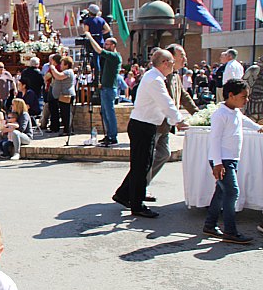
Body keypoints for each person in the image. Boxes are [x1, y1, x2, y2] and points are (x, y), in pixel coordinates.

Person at [112, 49, 189, 218]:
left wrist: (175, 120)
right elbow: (165, 103)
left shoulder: (154, 77)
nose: (173, 66)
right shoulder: (154, 79)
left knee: (141, 164)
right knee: (142, 166)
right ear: (164, 64)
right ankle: (137, 205)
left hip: (145, 125)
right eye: (171, 63)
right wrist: (179, 120)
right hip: (143, 126)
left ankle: (125, 194)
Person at [204, 79, 263, 244]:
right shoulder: (220, 115)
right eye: (244, 96)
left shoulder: (235, 111)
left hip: (230, 159)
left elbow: (243, 121)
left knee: (221, 192)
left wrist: (258, 127)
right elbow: (214, 140)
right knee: (232, 192)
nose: (247, 100)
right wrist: (217, 163)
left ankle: (210, 224)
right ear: (231, 95)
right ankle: (230, 231)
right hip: (222, 160)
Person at [145, 44, 199, 199]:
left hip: (166, 124)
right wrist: (178, 120)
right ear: (170, 57)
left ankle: (141, 183)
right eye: (181, 55)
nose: (185, 58)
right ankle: (141, 186)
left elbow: (183, 96)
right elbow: (165, 102)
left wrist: (198, 115)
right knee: (147, 157)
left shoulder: (175, 75)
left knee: (163, 153)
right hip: (155, 122)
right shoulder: (160, 76)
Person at [85, 31, 122, 146]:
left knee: (109, 113)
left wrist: (90, 38)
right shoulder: (110, 58)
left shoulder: (115, 56)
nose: (105, 46)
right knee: (105, 113)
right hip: (105, 87)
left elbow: (99, 51)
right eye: (105, 44)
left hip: (110, 88)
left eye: (107, 44)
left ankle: (112, 136)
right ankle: (108, 135)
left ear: (113, 46)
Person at [48, 56, 76, 136]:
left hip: (67, 95)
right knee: (64, 113)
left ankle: (68, 130)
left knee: (66, 113)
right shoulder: (67, 71)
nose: (60, 66)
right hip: (62, 95)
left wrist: (53, 68)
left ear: (66, 65)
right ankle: (66, 130)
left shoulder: (68, 72)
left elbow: (59, 76)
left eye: (62, 64)